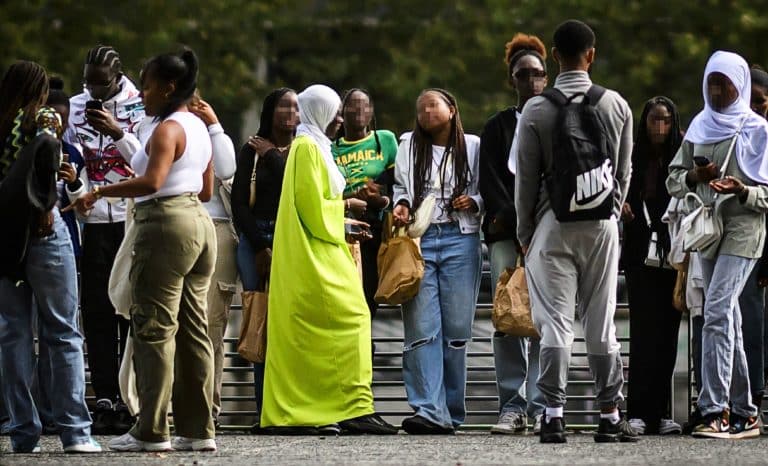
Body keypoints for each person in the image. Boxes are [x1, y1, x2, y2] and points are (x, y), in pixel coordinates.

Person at [69, 49, 218, 452]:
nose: (144, 94)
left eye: (148, 85)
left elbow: (151, 182)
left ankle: (151, 430)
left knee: (153, 328)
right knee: (193, 331)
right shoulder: (199, 125)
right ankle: (198, 430)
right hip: (199, 225)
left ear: (168, 87)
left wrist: (99, 190)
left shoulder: (168, 129)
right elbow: (205, 189)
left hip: (166, 225)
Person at [514, 20, 637, 443]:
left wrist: (525, 231)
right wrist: (610, 212)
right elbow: (624, 173)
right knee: (601, 324)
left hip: (552, 225)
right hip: (602, 224)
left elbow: (525, 181)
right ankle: (609, 414)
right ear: (592, 54)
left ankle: (552, 414)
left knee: (555, 325)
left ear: (552, 55)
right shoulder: (616, 105)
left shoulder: (535, 109)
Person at [260, 84, 396, 435]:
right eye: (334, 111)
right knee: (353, 317)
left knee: (327, 331)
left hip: (321, 247)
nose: (340, 119)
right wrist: (343, 217)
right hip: (314, 253)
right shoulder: (307, 148)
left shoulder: (313, 145)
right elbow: (313, 209)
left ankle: (348, 407)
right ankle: (344, 408)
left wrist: (343, 219)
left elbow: (315, 203)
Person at [0, 61, 101, 453]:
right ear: (40, 90)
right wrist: (45, 204)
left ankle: (24, 432)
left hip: (5, 236)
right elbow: (47, 147)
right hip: (42, 228)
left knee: (13, 334)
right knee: (62, 332)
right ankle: (75, 431)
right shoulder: (40, 115)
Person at [667, 51, 768, 439]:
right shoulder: (699, 127)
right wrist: (696, 175)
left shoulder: (758, 130)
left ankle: (714, 410)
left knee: (716, 310)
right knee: (729, 319)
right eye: (712, 82)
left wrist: (743, 190)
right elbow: (673, 180)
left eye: (726, 83)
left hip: (745, 227)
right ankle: (746, 411)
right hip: (709, 230)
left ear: (740, 85)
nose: (719, 90)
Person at [392, 88, 483, 434]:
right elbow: (401, 185)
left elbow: (487, 187)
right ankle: (429, 410)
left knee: (457, 330)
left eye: (433, 105)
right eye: (421, 108)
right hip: (420, 241)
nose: (426, 112)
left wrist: (473, 201)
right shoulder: (409, 146)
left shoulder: (472, 146)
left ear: (452, 109)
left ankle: (451, 411)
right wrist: (401, 204)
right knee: (421, 328)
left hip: (461, 239)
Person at [65, 45, 144, 434]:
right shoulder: (76, 106)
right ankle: (106, 398)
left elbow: (147, 159)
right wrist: (77, 189)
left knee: (128, 309)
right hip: (92, 219)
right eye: (89, 82)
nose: (94, 90)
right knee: (96, 309)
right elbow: (71, 159)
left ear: (118, 76)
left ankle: (132, 399)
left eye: (102, 83)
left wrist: (116, 132)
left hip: (131, 217)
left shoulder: (142, 103)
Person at [480, 33, 547, 435]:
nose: (533, 81)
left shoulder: (555, 119)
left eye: (539, 74)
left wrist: (538, 222)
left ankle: (542, 405)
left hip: (547, 233)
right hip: (507, 234)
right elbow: (491, 181)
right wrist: (517, 221)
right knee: (507, 318)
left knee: (543, 318)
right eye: (524, 75)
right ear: (512, 80)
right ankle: (512, 404)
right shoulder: (497, 126)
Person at [231, 87, 298, 430]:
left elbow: (301, 189)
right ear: (270, 111)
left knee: (289, 325)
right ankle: (264, 412)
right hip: (256, 239)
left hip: (292, 240)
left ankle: (290, 408)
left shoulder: (303, 150)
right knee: (260, 322)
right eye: (283, 105)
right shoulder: (252, 149)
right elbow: (239, 203)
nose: (290, 111)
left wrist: (275, 155)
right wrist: (259, 247)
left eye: (295, 106)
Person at [621, 97, 684, 435]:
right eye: (654, 120)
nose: (660, 127)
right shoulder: (632, 155)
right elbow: (618, 191)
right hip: (639, 253)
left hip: (673, 254)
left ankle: (661, 412)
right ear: (644, 123)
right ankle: (638, 412)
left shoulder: (682, 154)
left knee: (668, 334)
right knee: (643, 332)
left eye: (666, 121)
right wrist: (624, 209)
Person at [187, 94, 237, 429]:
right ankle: (171, 407)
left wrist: (215, 126)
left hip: (217, 228)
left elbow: (229, 168)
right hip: (178, 221)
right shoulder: (161, 129)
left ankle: (208, 408)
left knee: (212, 324)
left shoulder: (215, 136)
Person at [332, 88, 398, 317]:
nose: (359, 110)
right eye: (352, 106)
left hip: (374, 229)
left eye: (364, 106)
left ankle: (366, 350)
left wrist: (380, 200)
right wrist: (349, 199)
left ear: (371, 112)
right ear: (341, 112)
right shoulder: (332, 148)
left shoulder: (385, 140)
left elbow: (398, 185)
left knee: (367, 297)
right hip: (342, 226)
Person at [46, 77, 85, 260]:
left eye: (63, 120)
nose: (57, 126)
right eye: (52, 119)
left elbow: (84, 209)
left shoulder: (74, 155)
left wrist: (73, 182)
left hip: (66, 238)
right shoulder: (25, 152)